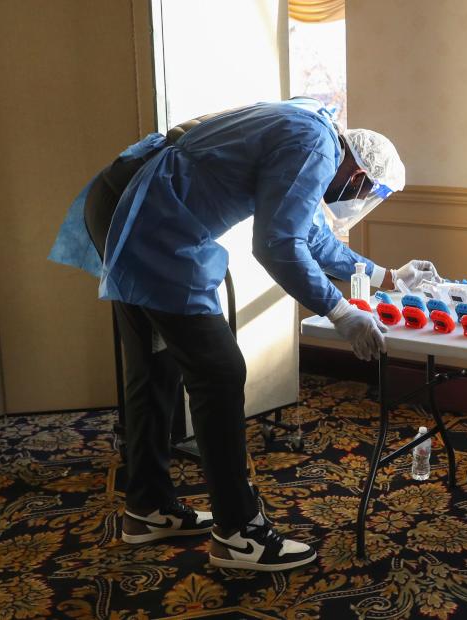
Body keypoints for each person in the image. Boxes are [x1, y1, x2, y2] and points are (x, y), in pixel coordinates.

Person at [49, 97, 438, 571]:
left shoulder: (310, 131)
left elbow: (312, 237)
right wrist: (340, 311)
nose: (358, 200)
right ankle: (239, 533)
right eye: (366, 193)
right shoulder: (315, 146)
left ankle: (147, 507)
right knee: (220, 371)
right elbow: (277, 244)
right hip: (151, 218)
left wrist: (388, 277)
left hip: (123, 200)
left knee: (156, 365)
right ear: (358, 176)